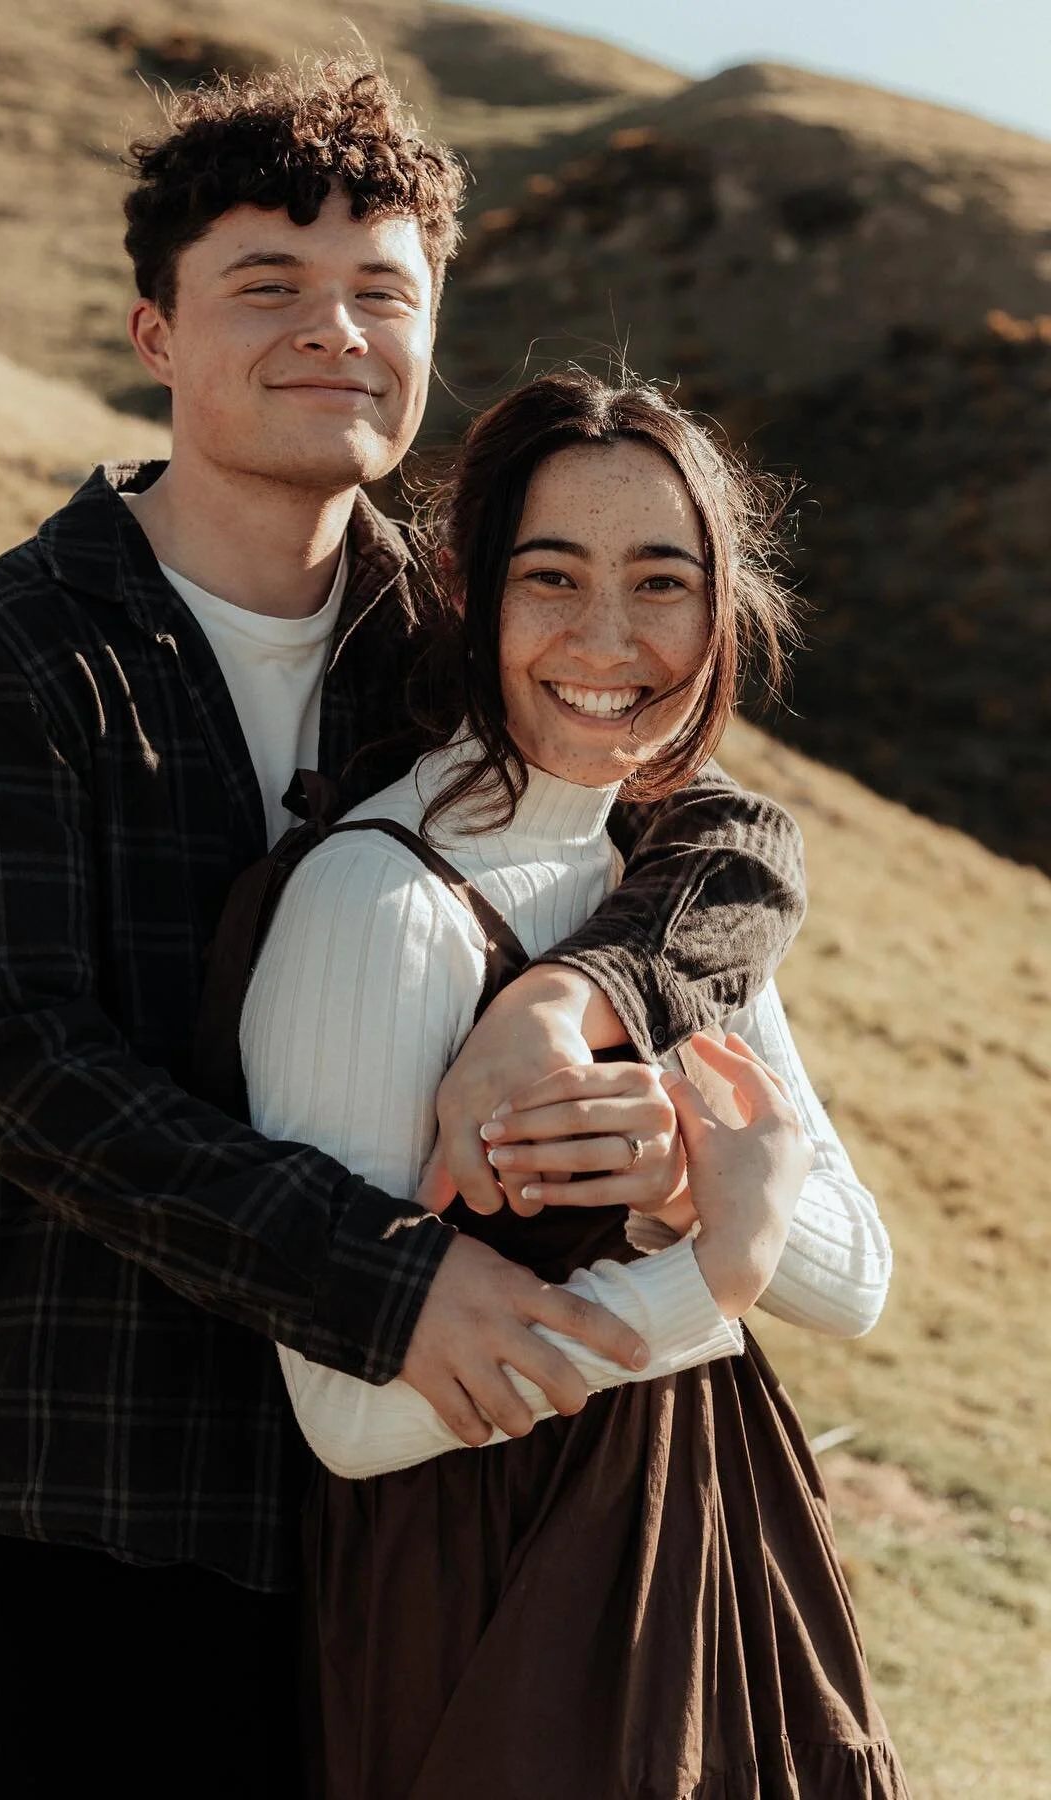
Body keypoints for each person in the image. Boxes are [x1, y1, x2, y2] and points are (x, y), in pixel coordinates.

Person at [0, 64, 809, 1798]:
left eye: (383, 292)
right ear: (157, 330)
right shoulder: (18, 644)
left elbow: (725, 831)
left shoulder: (448, 637)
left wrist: (578, 994)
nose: (337, 332)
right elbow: (21, 1061)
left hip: (408, 1495)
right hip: (100, 1468)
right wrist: (380, 1280)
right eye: (270, 288)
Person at [234, 369, 909, 1799]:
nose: (610, 639)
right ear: (471, 595)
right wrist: (703, 1278)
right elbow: (347, 1421)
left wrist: (678, 1182)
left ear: (721, 612)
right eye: (555, 577)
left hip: (711, 1534)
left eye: (662, 583)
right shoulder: (380, 900)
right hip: (489, 1613)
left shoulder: (657, 893)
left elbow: (853, 1277)